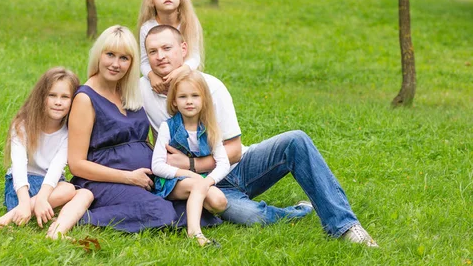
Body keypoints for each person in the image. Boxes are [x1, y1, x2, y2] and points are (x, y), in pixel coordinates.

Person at [140, 25, 379, 247]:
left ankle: (345, 225)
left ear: (183, 50)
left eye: (167, 48)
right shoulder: (142, 90)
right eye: (153, 51)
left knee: (296, 139)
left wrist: (190, 164)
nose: (160, 56)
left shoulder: (210, 87)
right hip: (208, 189)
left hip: (238, 166)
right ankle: (297, 211)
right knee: (252, 216)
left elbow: (233, 151)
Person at [68, 25, 219, 233]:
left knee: (195, 210)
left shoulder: (129, 91)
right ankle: (82, 217)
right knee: (161, 213)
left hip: (145, 177)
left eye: (124, 58)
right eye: (110, 55)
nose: (115, 64)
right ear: (98, 55)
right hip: (103, 180)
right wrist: (128, 177)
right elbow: (76, 164)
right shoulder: (85, 98)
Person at [0, 67, 94, 239]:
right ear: (41, 96)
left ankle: (57, 231)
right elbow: (18, 165)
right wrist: (23, 202)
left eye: (65, 97)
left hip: (50, 187)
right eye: (52, 95)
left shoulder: (69, 131)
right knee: (68, 189)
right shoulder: (23, 124)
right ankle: (13, 215)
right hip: (22, 187)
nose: (58, 102)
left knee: (86, 193)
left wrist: (43, 198)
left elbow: (57, 167)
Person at [152, 70, 229, 247]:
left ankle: (192, 204)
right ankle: (195, 234)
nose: (189, 101)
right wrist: (191, 175)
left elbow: (223, 162)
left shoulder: (210, 127)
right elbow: (157, 166)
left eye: (195, 96)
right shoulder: (168, 127)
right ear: (174, 101)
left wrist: (208, 180)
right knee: (196, 185)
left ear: (204, 100)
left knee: (219, 202)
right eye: (183, 96)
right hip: (170, 181)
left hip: (201, 180)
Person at [137, 0, 204, 94]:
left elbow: (195, 56)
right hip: (159, 79)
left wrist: (182, 70)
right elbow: (144, 61)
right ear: (151, 0)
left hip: (185, 75)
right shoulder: (147, 28)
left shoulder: (189, 23)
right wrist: (152, 76)